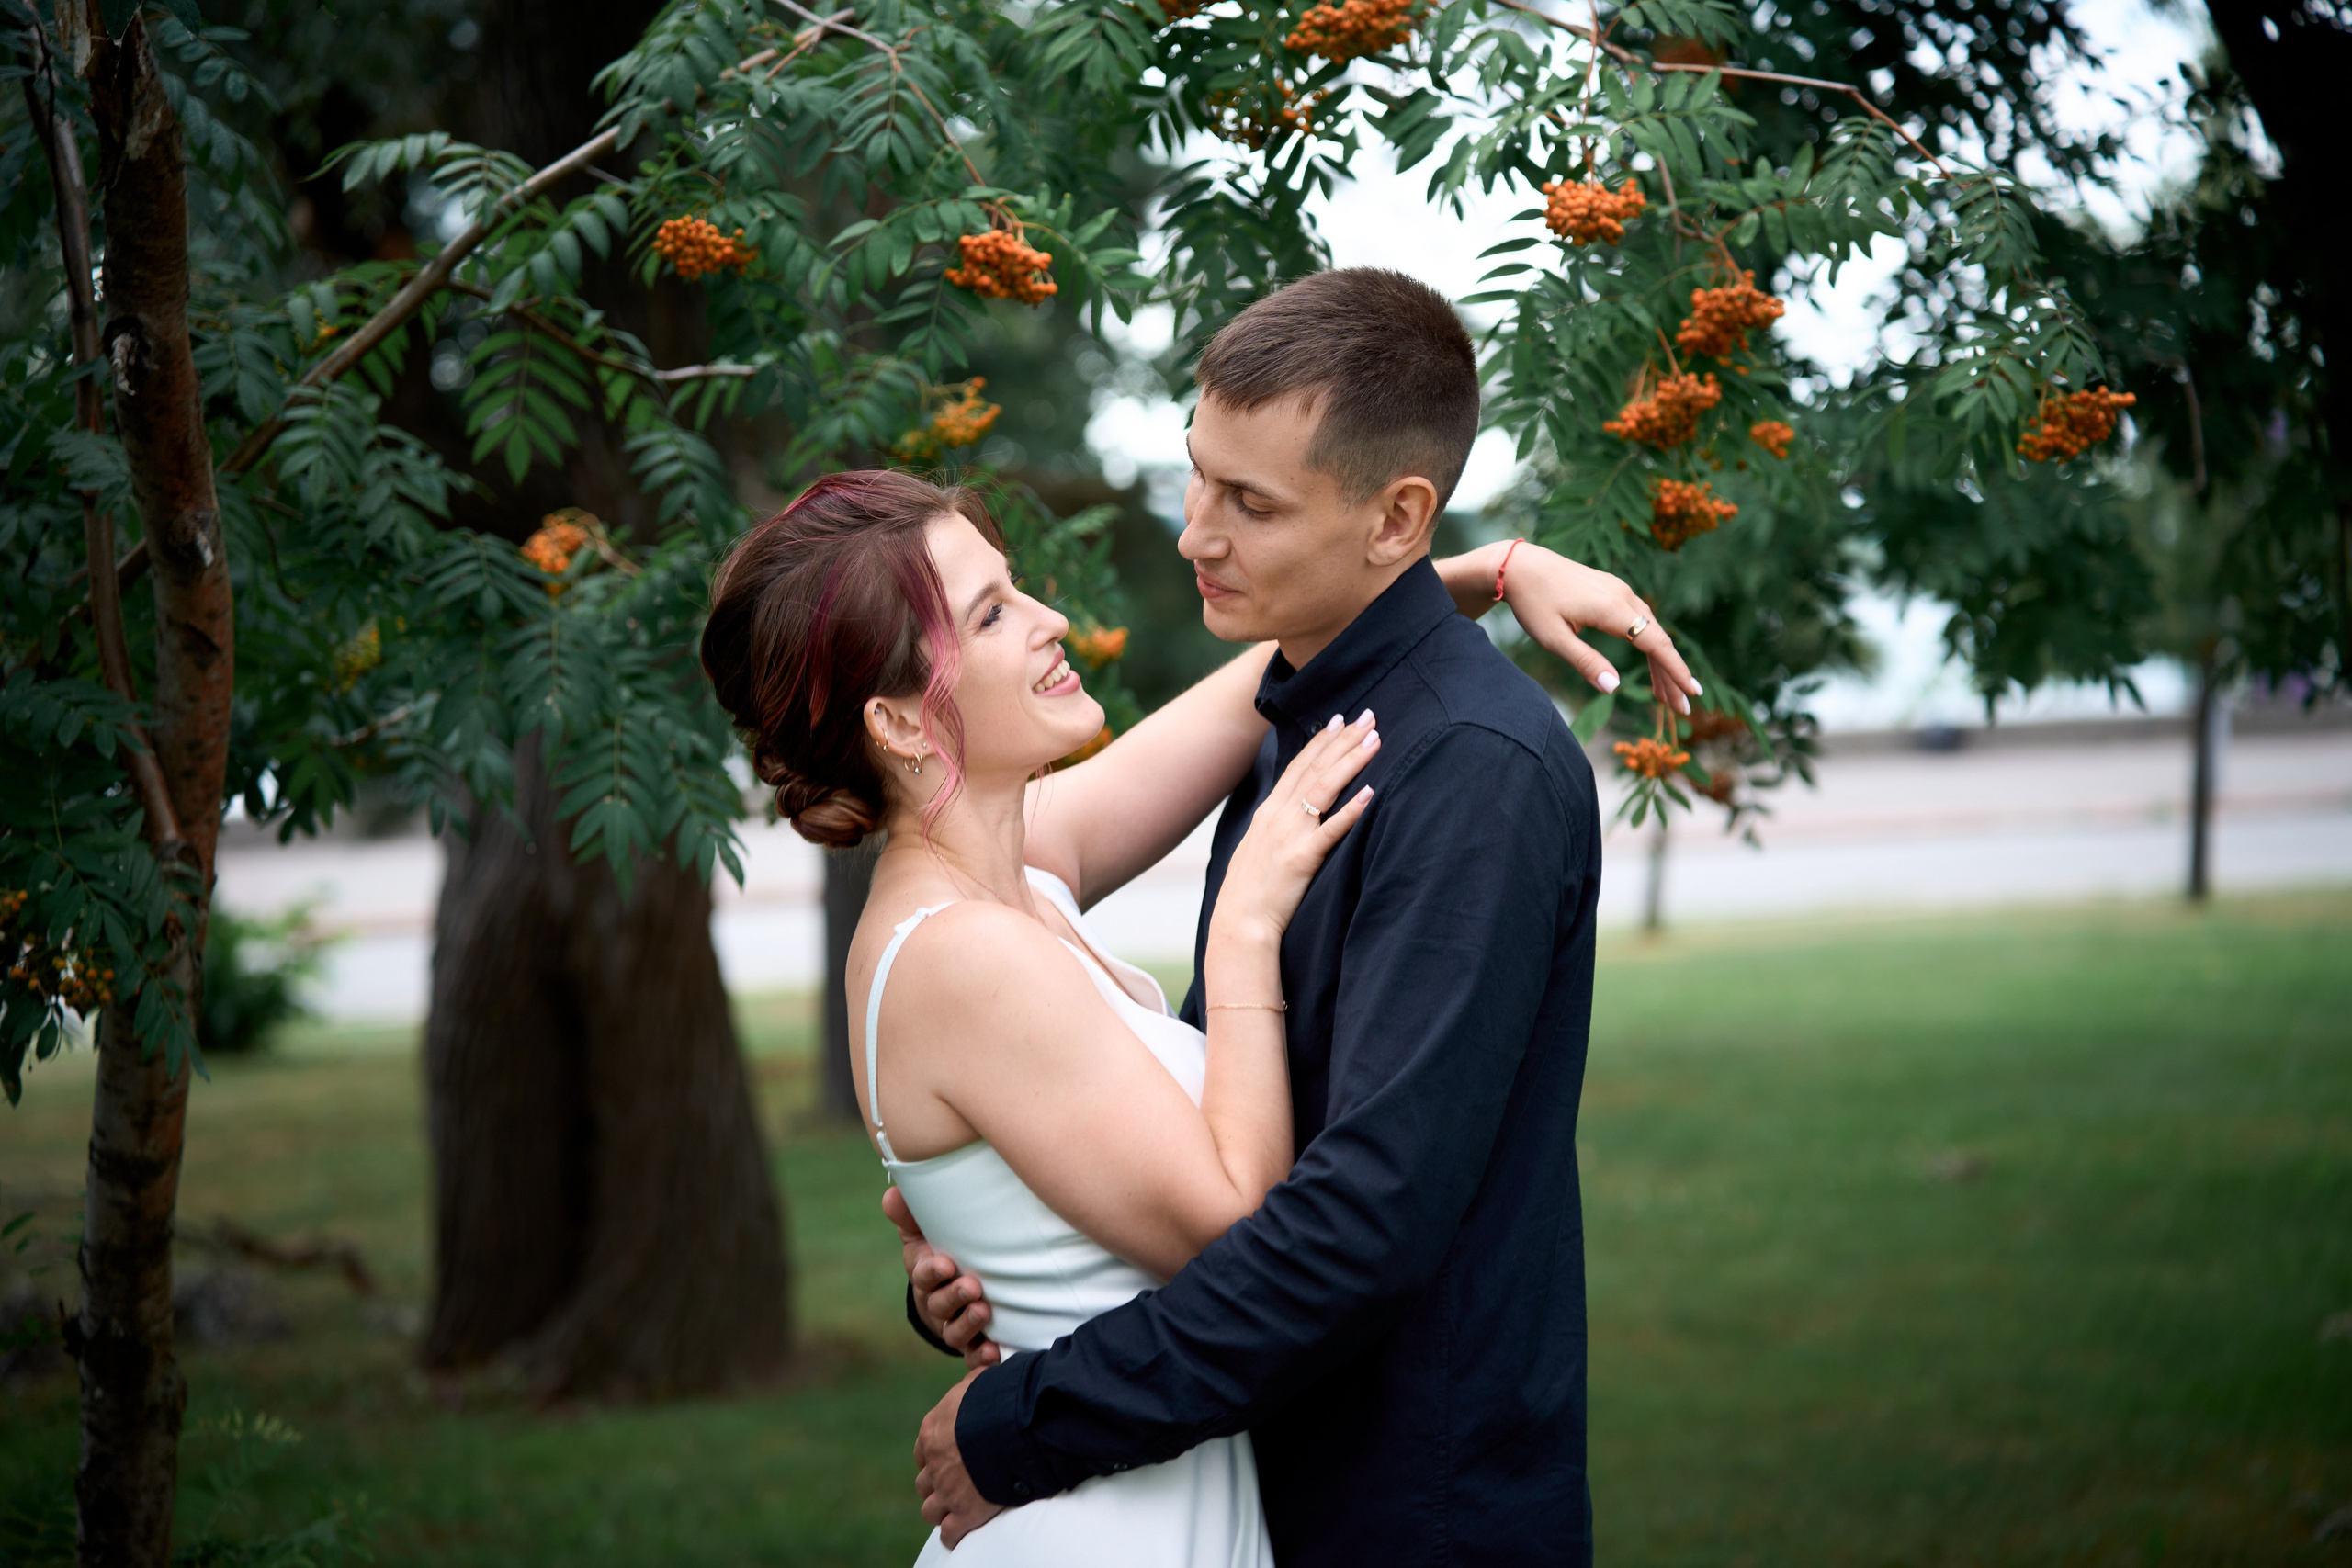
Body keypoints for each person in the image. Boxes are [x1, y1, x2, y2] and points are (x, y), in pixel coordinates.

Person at [889, 268, 1701, 1566]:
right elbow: (1209, 1138)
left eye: (1250, 505)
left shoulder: (1472, 772)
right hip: (1261, 1482)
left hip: (1407, 1510)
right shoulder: (1304, 712)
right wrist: (1007, 1254)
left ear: (1397, 520)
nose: (1192, 533)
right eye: (1198, 474)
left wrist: (1025, 1423)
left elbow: (1357, 1230)